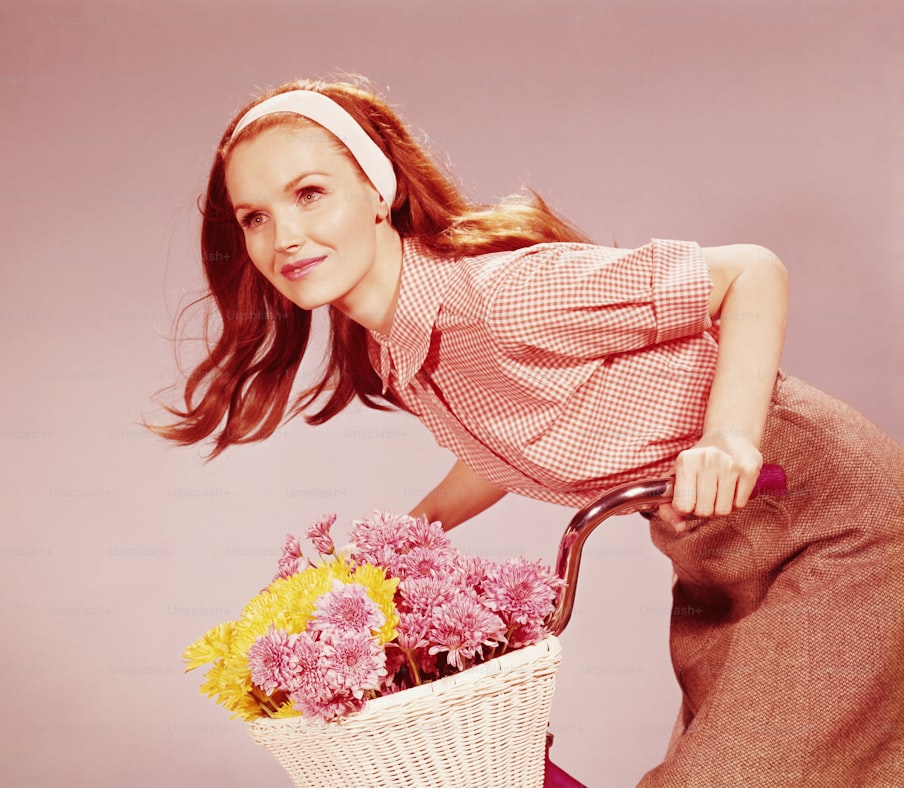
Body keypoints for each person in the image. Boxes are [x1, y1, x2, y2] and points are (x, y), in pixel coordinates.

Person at [153, 76, 904, 785]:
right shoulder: (399, 350)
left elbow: (751, 272)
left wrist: (732, 437)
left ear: (378, 192)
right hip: (722, 556)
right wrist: (386, 553)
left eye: (309, 193)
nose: (285, 236)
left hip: (832, 525)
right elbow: (507, 442)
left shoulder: (500, 297)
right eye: (256, 216)